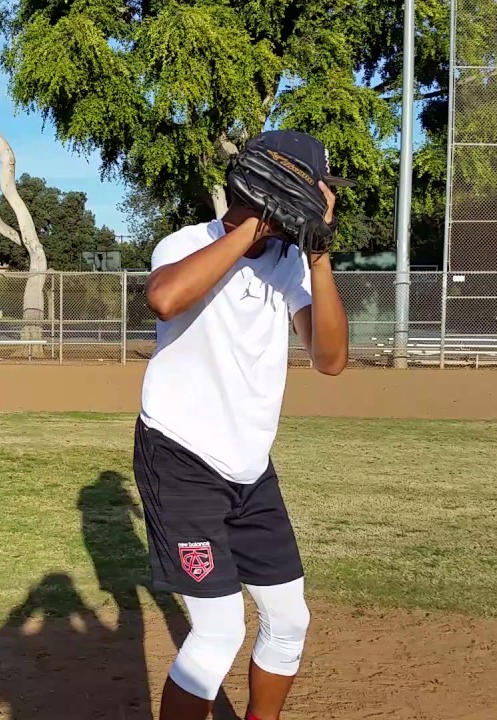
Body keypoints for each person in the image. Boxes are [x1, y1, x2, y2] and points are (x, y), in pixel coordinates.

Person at [133, 130, 351, 720]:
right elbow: (164, 298)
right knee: (219, 632)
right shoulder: (185, 242)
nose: (323, 201)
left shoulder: (292, 265)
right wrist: (259, 222)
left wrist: (318, 251)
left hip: (251, 468)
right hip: (180, 457)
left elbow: (330, 359)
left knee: (289, 620)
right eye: (316, 190)